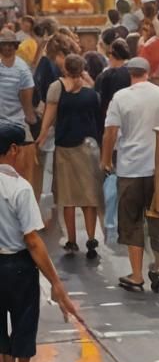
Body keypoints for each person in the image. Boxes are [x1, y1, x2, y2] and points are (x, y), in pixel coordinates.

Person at [0, 120, 81, 362]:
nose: (24, 155)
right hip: (18, 267)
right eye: (22, 149)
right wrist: (56, 283)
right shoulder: (20, 189)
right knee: (23, 325)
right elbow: (33, 241)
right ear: (12, 150)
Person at [102, 56, 159, 293]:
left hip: (130, 169)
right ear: (148, 72)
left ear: (129, 74)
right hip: (158, 169)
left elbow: (110, 132)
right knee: (158, 220)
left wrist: (105, 160)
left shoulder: (120, 97)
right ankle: (158, 267)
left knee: (131, 222)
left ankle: (136, 275)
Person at [36, 53, 103, 257]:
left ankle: (72, 241)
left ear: (65, 68)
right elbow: (98, 120)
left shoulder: (56, 88)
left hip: (65, 147)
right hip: (87, 148)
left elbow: (49, 115)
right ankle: (91, 239)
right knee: (89, 196)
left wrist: (41, 136)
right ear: (82, 69)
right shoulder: (91, 94)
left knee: (68, 197)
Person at [0, 28, 35, 185]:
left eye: (10, 45)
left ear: (15, 46)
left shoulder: (22, 69)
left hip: (17, 124)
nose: (7, 48)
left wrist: (31, 119)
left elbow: (27, 100)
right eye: (4, 44)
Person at [95, 38, 131, 136]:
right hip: (130, 120)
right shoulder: (133, 73)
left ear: (111, 55)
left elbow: (101, 101)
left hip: (110, 122)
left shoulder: (105, 76)